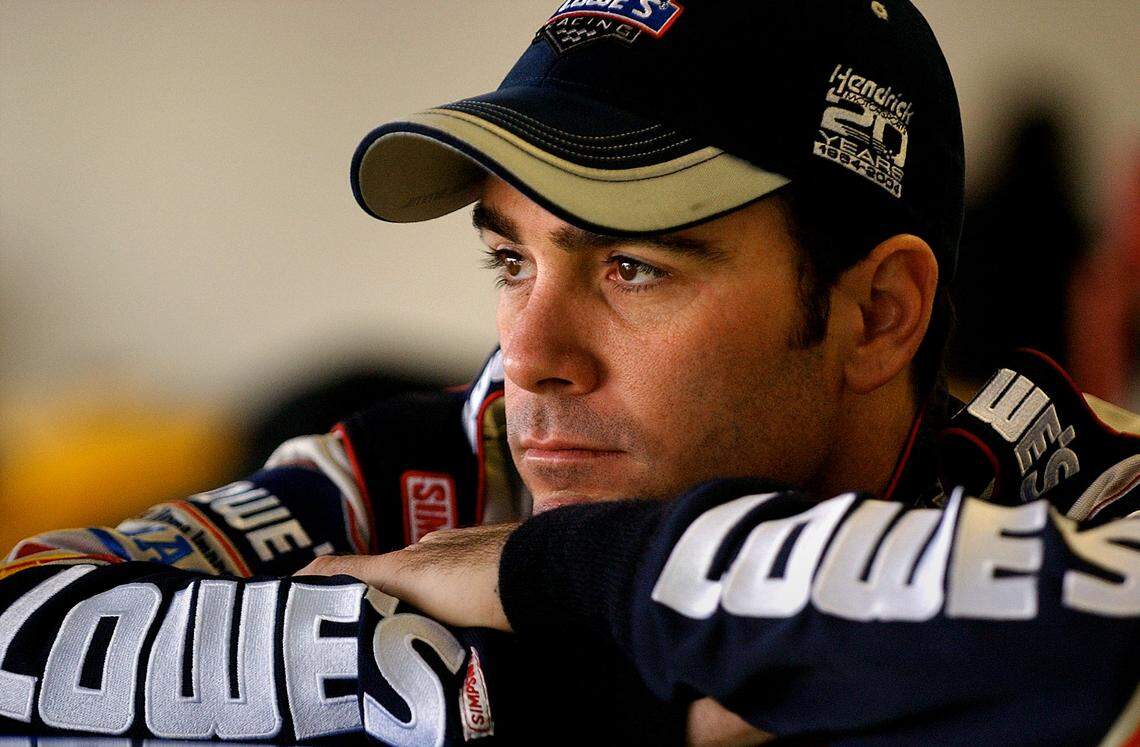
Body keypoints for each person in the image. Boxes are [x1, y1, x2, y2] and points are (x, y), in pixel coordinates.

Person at [1, 1, 1137, 745]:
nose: (527, 355)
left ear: (876, 314)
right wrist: (596, 696)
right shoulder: (433, 471)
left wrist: (562, 577)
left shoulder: (1085, 493)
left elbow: (1089, 638)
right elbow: (22, 631)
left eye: (634, 267)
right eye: (510, 257)